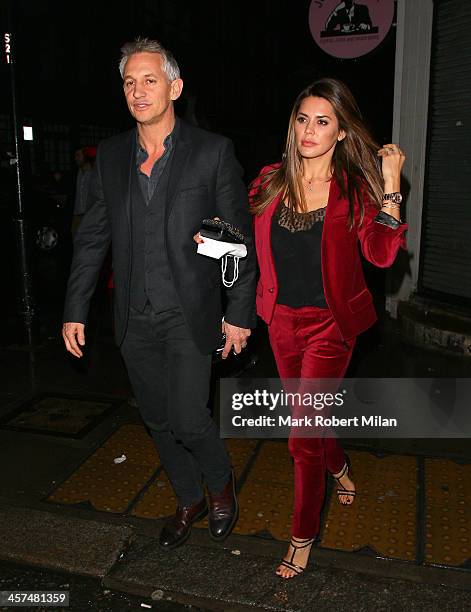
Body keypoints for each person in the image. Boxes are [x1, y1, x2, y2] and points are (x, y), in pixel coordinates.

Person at [62, 37, 256, 549]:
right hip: (132, 316)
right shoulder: (110, 156)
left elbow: (237, 239)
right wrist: (74, 308)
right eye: (129, 82)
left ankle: (219, 484)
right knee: (156, 418)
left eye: (149, 79)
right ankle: (187, 496)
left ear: (174, 86)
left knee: (190, 418)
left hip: (188, 312)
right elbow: (93, 239)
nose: (138, 90)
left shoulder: (211, 152)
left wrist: (239, 313)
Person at [249, 78, 406, 578]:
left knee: (300, 436)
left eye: (323, 121)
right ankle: (338, 466)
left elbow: (381, 254)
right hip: (279, 323)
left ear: (340, 132)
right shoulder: (269, 181)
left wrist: (392, 183)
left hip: (330, 327)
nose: (309, 130)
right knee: (311, 421)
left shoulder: (355, 190)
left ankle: (301, 537)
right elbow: (247, 242)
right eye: (302, 119)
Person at [71, 146, 97, 235]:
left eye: (78, 155)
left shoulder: (94, 173)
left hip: (90, 216)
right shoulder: (76, 173)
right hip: (77, 215)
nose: (76, 159)